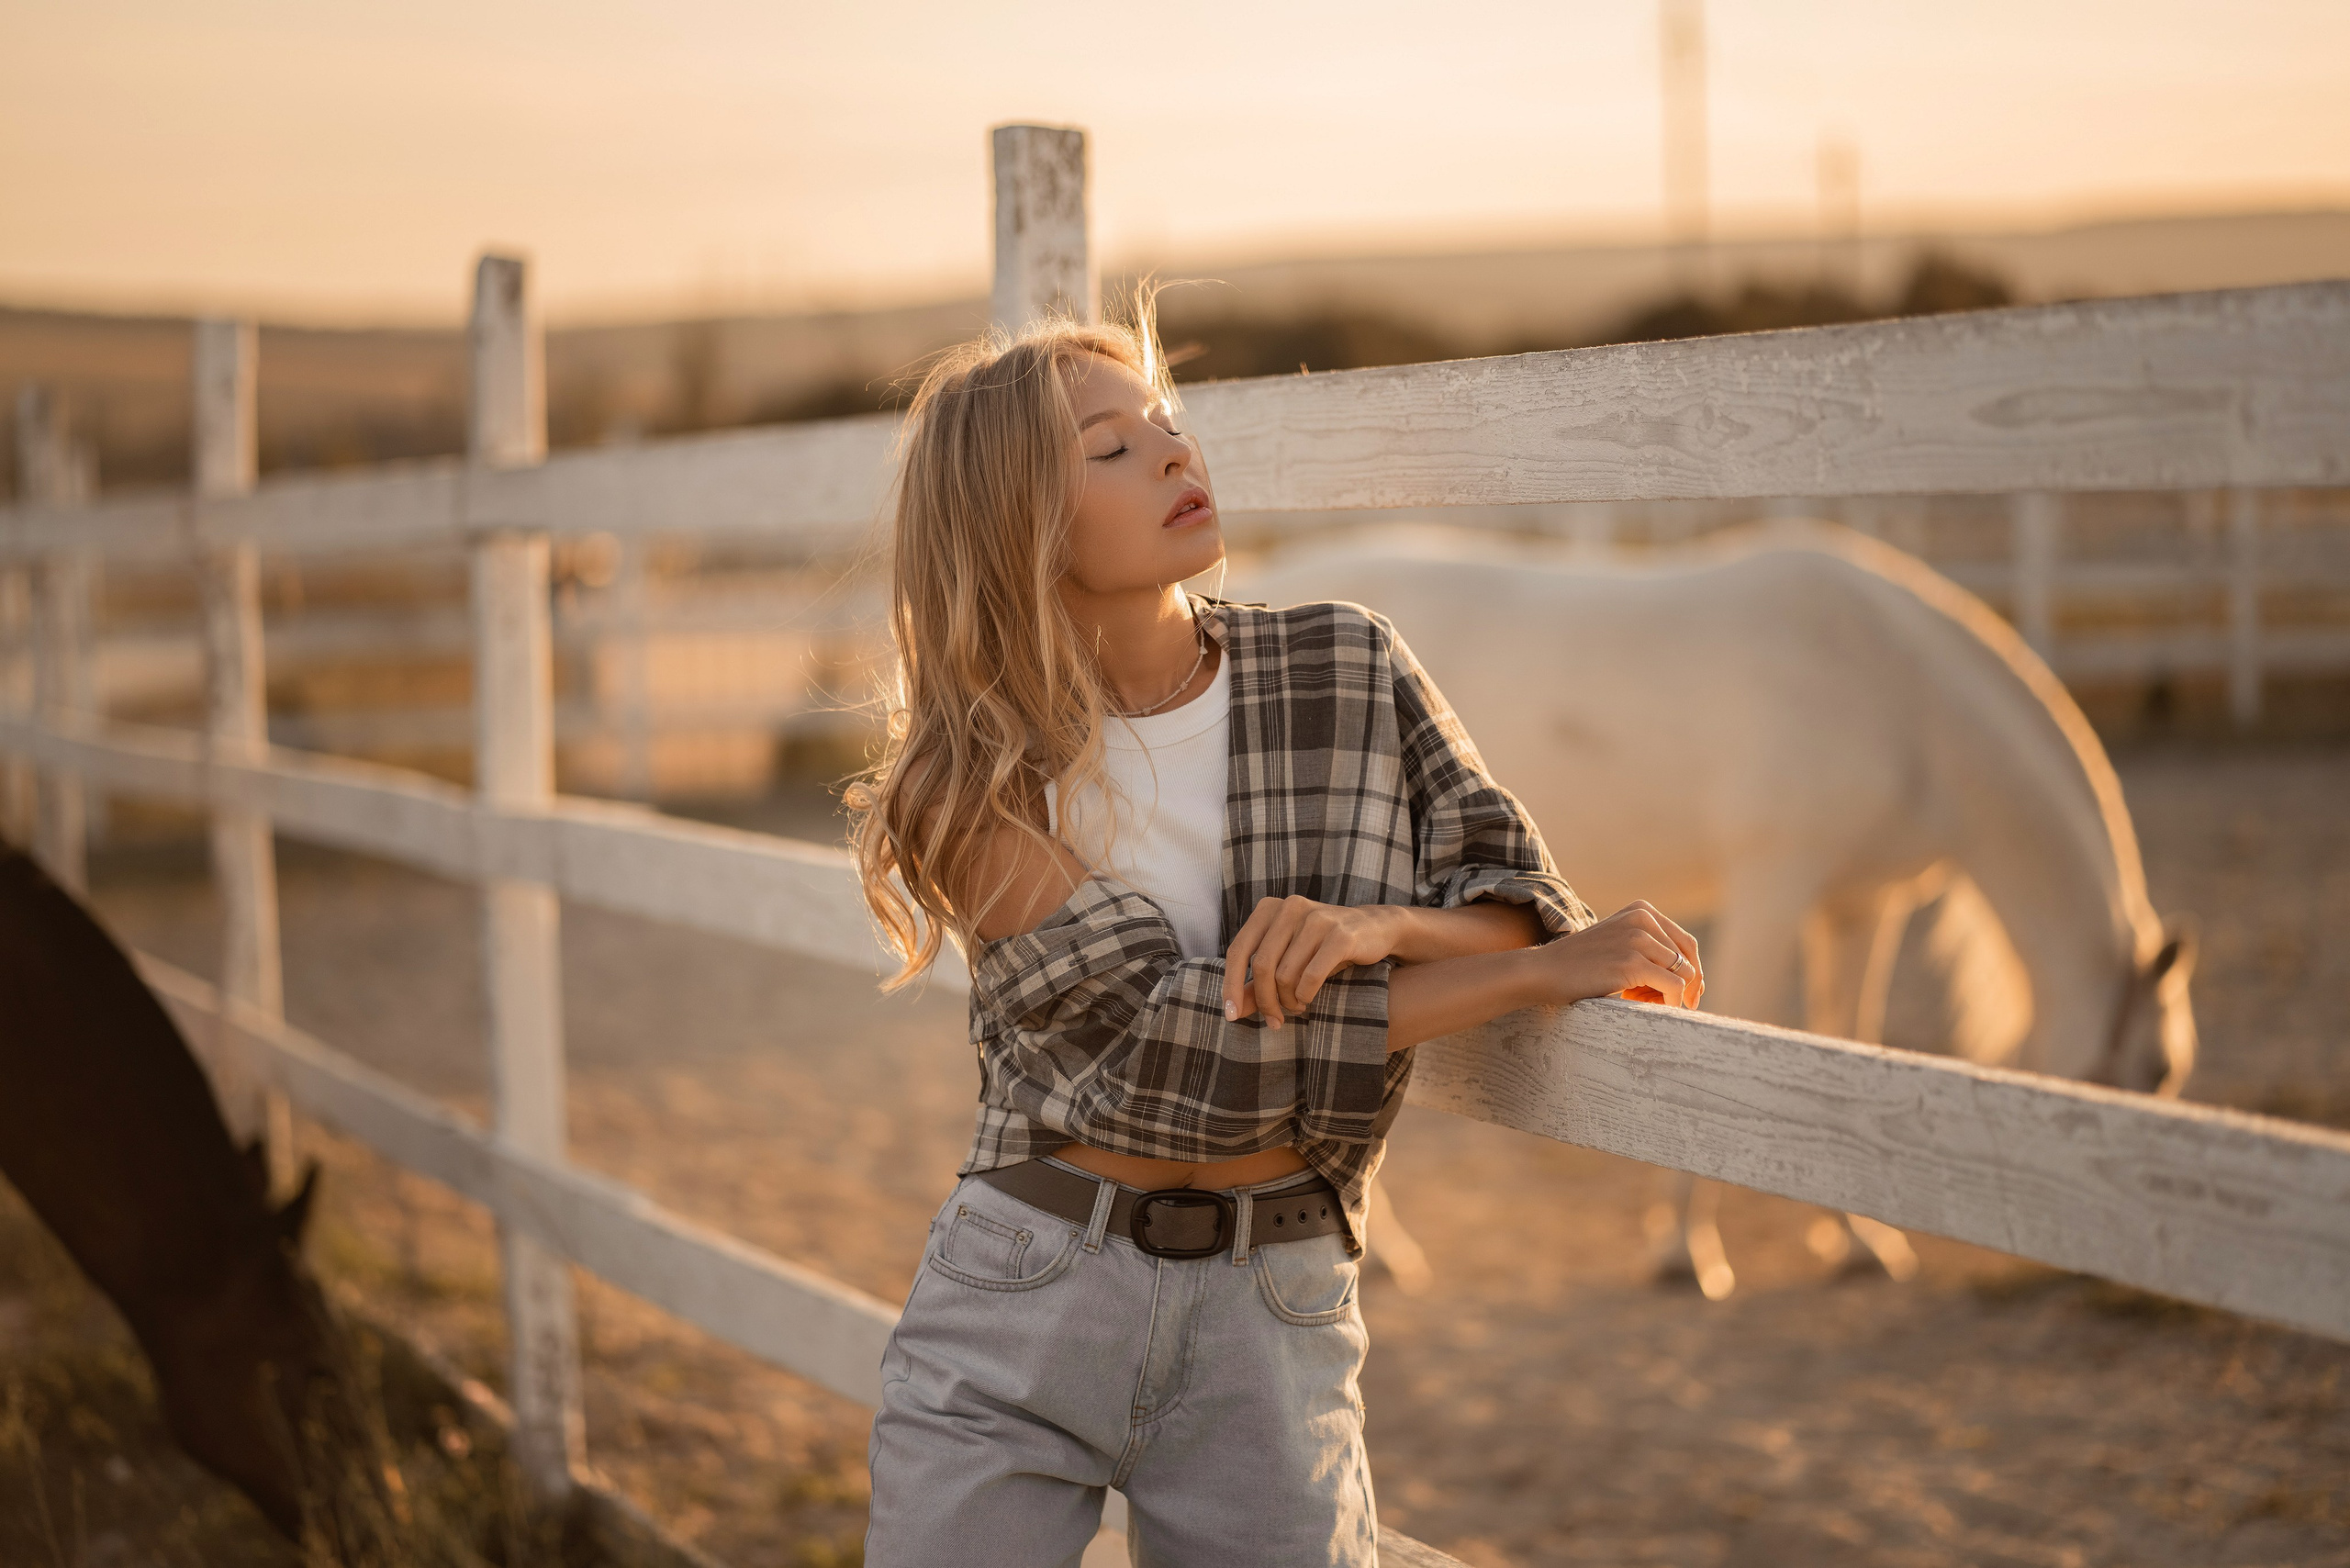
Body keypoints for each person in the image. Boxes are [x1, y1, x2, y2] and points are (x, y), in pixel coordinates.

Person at [845, 297, 1703, 1567]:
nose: (1176, 455)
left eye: (1168, 422)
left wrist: (1376, 927)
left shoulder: (1346, 665)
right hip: (1031, 1296)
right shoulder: (970, 782)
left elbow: (1510, 888)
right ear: (1016, 520)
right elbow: (1171, 1066)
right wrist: (1528, 970)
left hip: (1277, 1299)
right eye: (1111, 449)